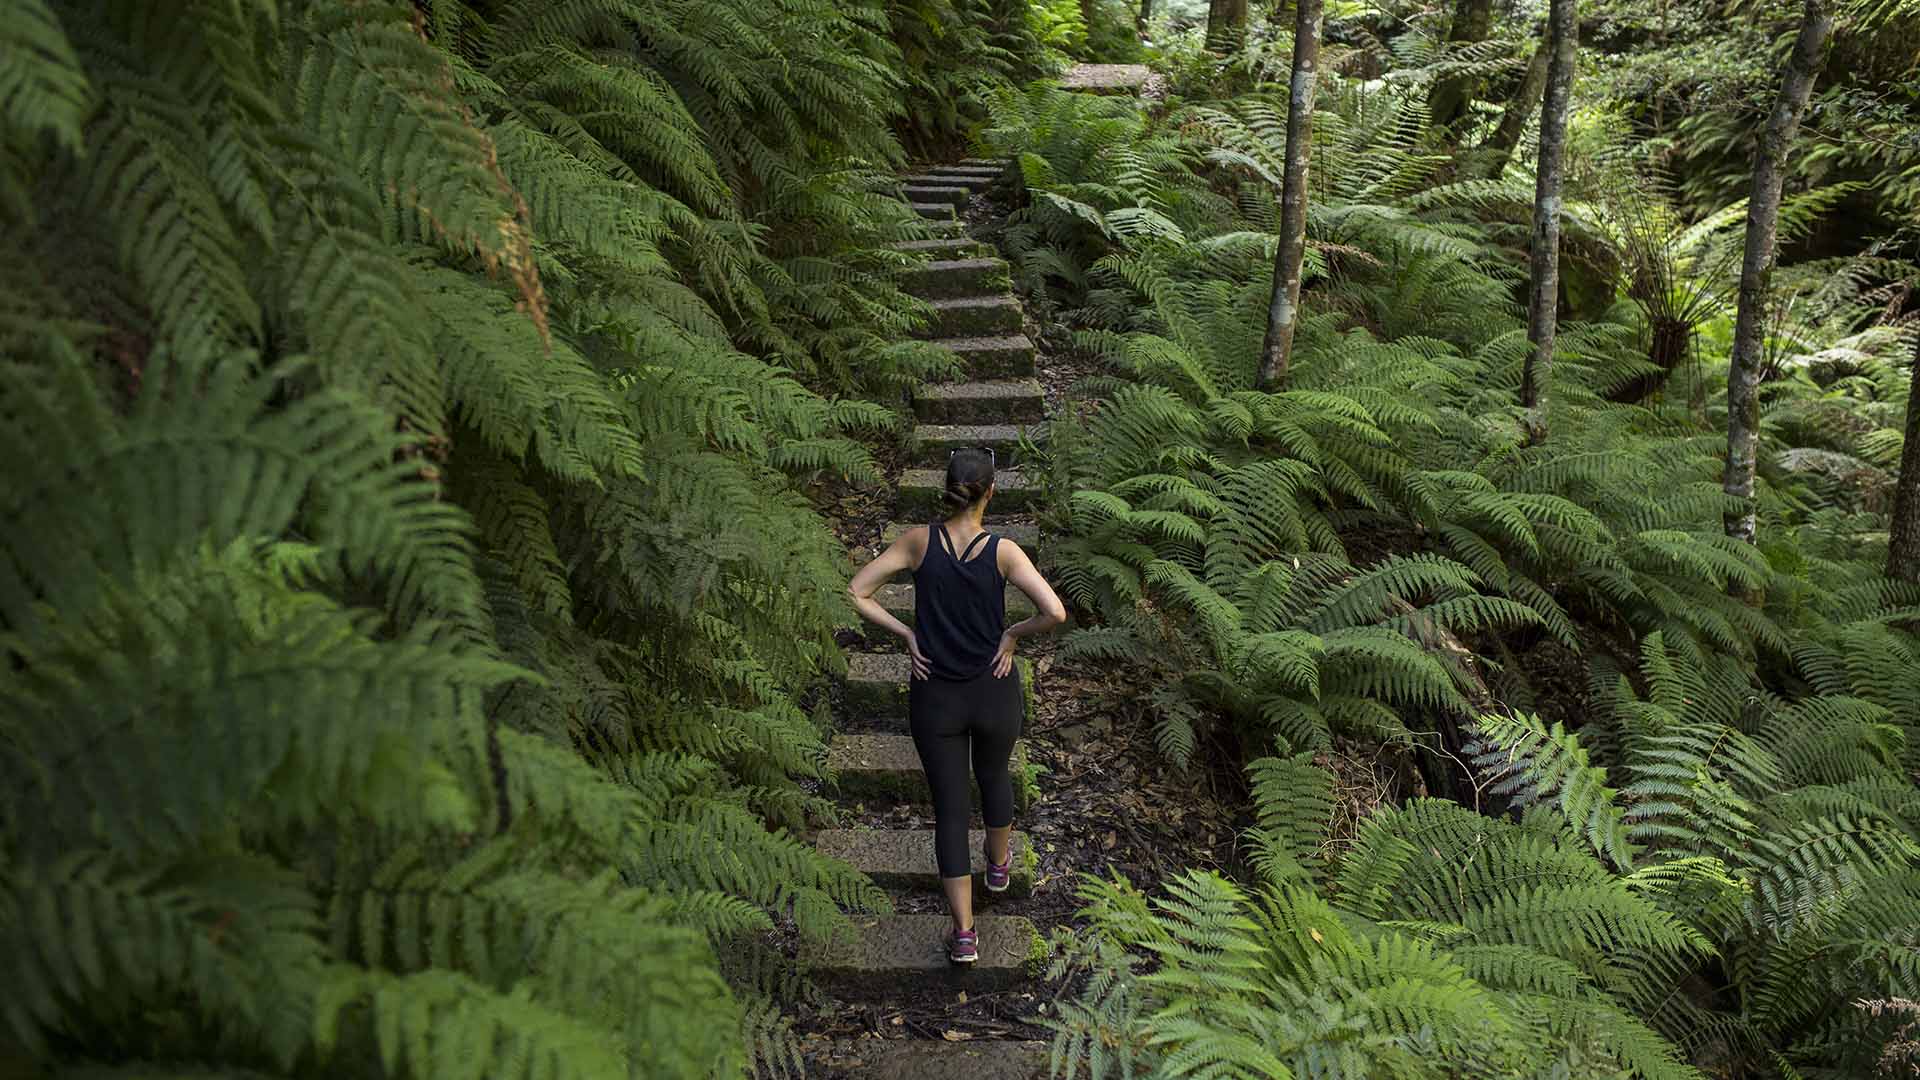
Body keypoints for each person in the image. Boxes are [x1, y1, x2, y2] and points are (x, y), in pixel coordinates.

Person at [844, 446, 1067, 963]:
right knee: (994, 778)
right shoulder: (1005, 552)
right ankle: (998, 863)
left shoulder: (919, 542)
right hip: (994, 689)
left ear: (946, 488)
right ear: (992, 491)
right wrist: (1012, 634)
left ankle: (964, 935)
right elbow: (1054, 611)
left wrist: (908, 635)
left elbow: (858, 591)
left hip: (935, 696)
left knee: (949, 809)